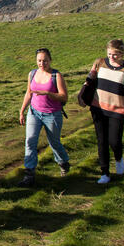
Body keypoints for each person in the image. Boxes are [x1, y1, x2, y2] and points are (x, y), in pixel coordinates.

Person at [78, 39, 124, 184]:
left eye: (115, 55)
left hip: (118, 110)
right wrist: (83, 93)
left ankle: (118, 158)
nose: (111, 57)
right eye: (109, 54)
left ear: (122, 54)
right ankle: (105, 172)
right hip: (98, 108)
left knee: (114, 141)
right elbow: (89, 79)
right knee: (101, 141)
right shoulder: (99, 63)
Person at [17, 48, 71, 186]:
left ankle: (63, 163)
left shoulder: (56, 76)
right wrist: (22, 110)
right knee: (30, 141)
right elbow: (29, 93)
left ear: (50, 60)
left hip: (52, 114)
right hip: (34, 113)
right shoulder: (32, 74)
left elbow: (64, 96)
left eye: (45, 60)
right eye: (39, 60)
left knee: (54, 143)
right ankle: (29, 175)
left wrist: (48, 93)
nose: (42, 63)